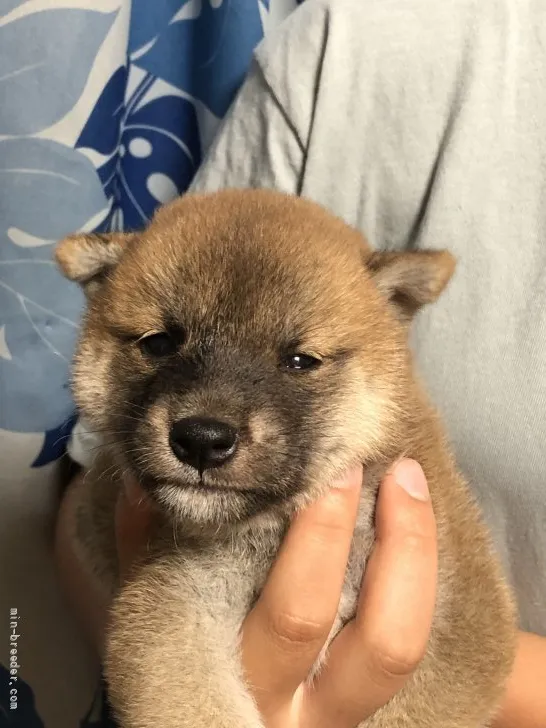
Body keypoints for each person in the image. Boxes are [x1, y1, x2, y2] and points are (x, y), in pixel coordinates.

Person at [55, 0, 546, 726]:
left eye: (300, 360)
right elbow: (133, 593)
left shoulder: (401, 449)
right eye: (159, 345)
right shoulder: (345, 42)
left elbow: (473, 652)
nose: (204, 417)